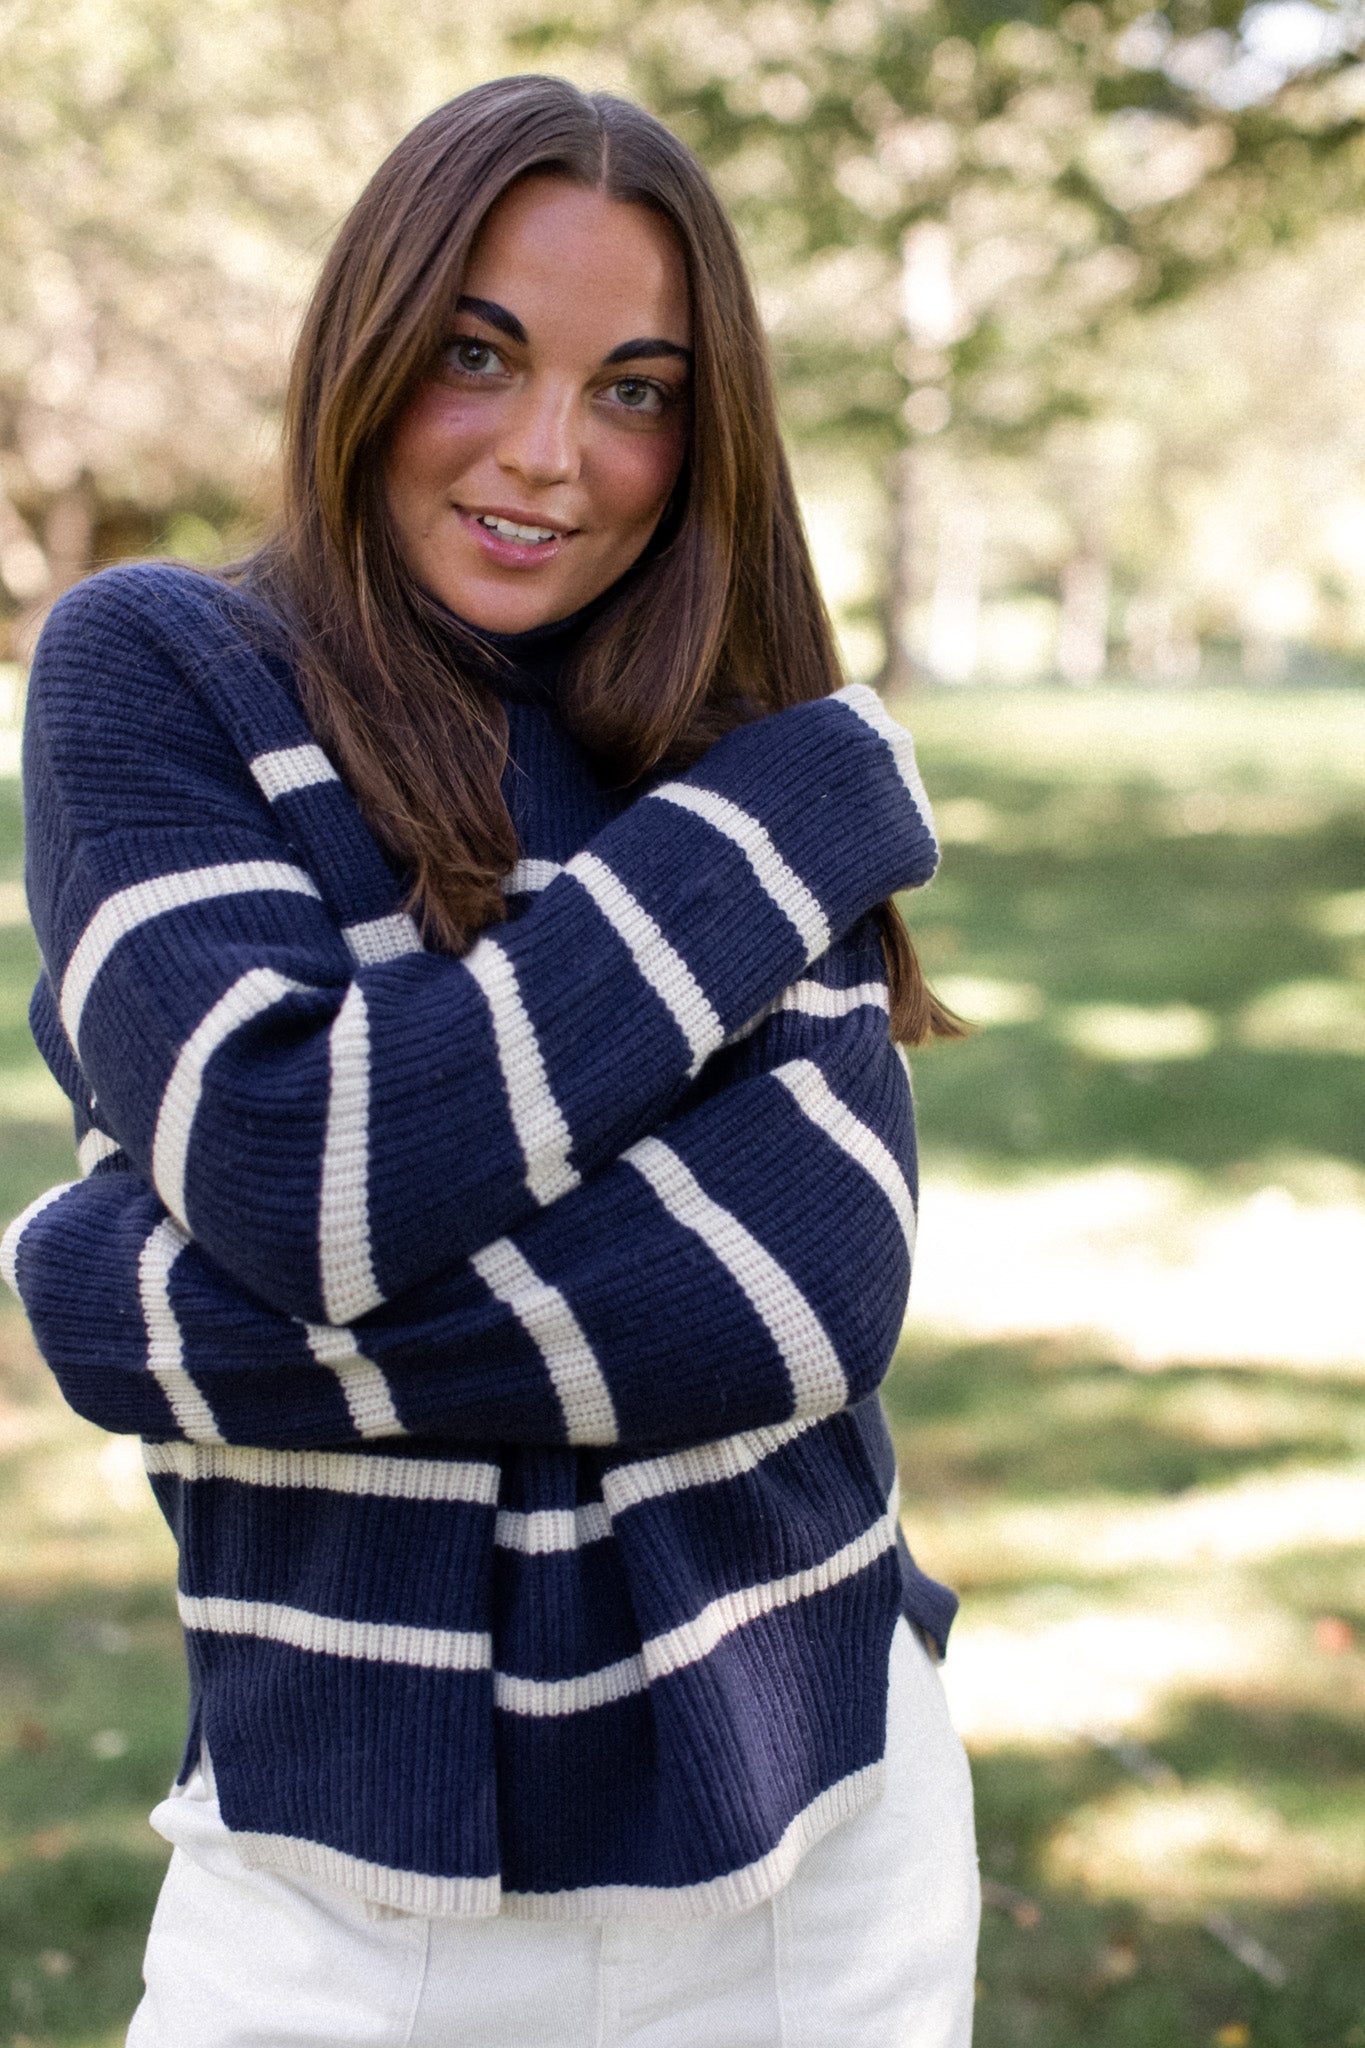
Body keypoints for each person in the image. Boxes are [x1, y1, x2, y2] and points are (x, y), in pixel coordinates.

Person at [4, 75, 979, 2047]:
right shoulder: (166, 673)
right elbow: (303, 1168)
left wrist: (135, 1306)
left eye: (634, 388)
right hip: (333, 1888)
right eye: (479, 356)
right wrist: (782, 833)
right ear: (369, 345)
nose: (552, 455)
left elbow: (788, 1290)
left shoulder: (724, 733)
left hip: (813, 1847)